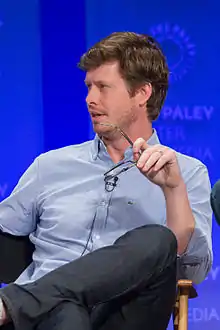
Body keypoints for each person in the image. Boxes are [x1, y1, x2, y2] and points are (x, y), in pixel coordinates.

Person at [0, 32, 212, 330]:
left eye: (103, 87)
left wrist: (173, 191)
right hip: (45, 318)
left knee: (158, 238)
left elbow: (194, 270)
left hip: (125, 315)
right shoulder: (50, 166)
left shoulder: (187, 173)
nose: (90, 99)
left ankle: (12, 303)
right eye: (88, 87)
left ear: (142, 93)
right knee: (67, 314)